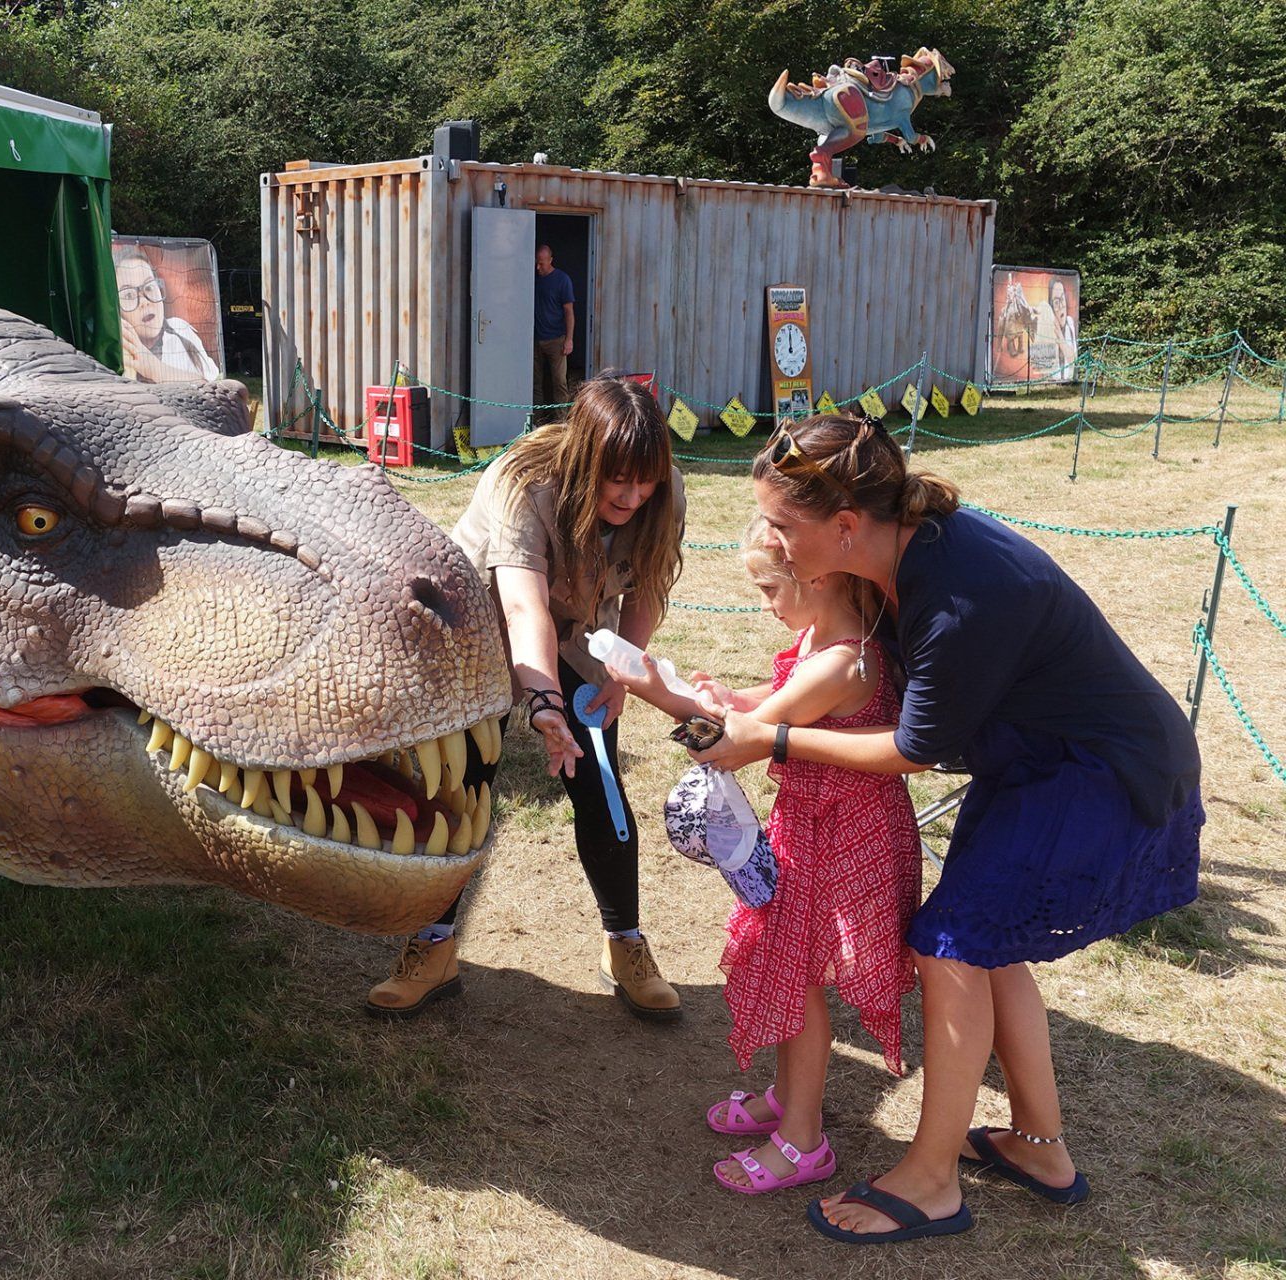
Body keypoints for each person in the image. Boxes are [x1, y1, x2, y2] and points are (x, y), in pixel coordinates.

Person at [692, 414, 1203, 1243]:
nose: (778, 547)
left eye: (786, 528)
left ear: (847, 527)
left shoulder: (959, 590)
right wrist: (754, 706)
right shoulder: (905, 556)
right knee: (984, 940)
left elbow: (913, 750)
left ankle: (931, 1180)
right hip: (1035, 762)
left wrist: (771, 739)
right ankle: (1040, 1149)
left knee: (953, 943)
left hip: (1098, 771)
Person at [365, 376, 702, 1019]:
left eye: (646, 480)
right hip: (479, 632)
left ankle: (625, 943)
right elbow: (523, 606)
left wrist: (619, 673)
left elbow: (649, 586)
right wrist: (543, 703)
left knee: (600, 778)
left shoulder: (666, 489)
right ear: (585, 461)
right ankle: (433, 946)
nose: (634, 495)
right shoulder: (525, 480)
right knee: (459, 784)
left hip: (578, 634)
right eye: (618, 480)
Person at [672, 516, 922, 1197]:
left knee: (802, 978)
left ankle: (804, 1139)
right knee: (792, 966)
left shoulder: (844, 662)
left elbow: (754, 734)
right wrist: (735, 698)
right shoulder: (828, 638)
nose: (765, 606)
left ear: (816, 575)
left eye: (768, 589)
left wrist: (662, 695)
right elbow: (773, 708)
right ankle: (788, 1096)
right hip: (818, 825)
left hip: (839, 835)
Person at [115, 250, 219, 383]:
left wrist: (156, 369)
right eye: (129, 295)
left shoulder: (180, 329)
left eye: (149, 287)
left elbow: (211, 388)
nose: (145, 302)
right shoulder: (111, 349)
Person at [533, 245, 576, 417]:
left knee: (559, 382)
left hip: (556, 339)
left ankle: (562, 422)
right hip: (535, 339)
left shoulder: (562, 280)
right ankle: (536, 421)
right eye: (536, 263)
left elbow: (569, 312)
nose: (538, 267)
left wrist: (569, 339)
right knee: (535, 382)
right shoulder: (533, 278)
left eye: (541, 264)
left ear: (550, 260)